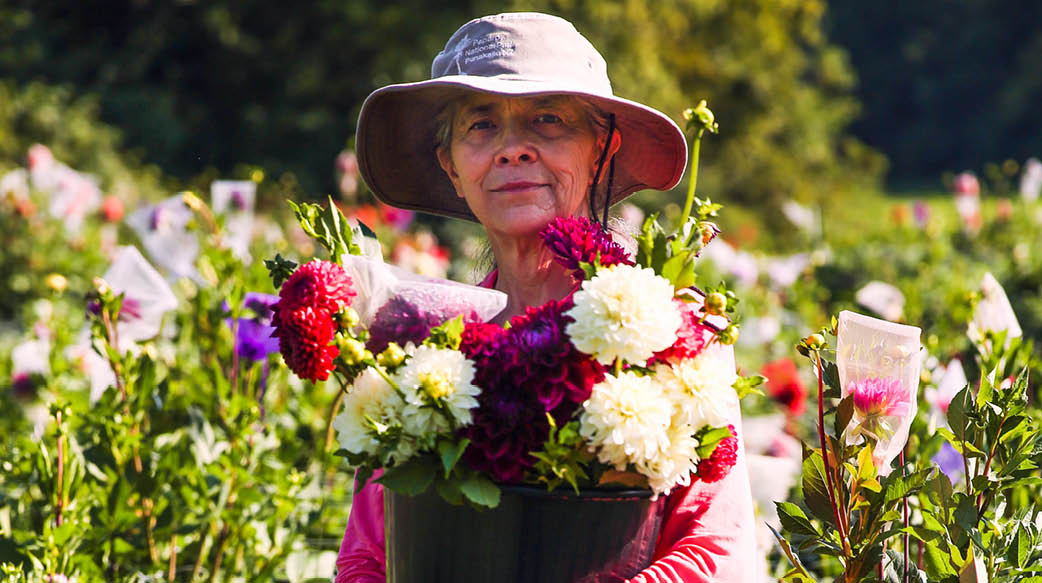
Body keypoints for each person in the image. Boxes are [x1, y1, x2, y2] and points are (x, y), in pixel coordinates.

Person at [336, 12, 757, 582]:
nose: (513, 149)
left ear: (601, 148)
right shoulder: (421, 348)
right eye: (480, 126)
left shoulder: (673, 332)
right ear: (451, 166)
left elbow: (716, 553)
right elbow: (367, 556)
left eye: (549, 120)